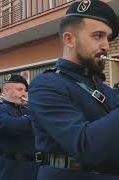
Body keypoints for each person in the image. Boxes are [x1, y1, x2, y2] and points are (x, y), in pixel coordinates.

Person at [29, 0, 119, 179]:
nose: (106, 46)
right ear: (69, 39)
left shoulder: (104, 89)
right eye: (98, 36)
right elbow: (85, 146)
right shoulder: (46, 85)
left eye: (108, 38)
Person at [0, 75, 37, 180]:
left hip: (34, 166)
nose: (24, 93)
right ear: (7, 90)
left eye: (25, 90)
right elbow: (11, 125)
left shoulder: (28, 109)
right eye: (19, 89)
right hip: (11, 168)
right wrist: (36, 117)